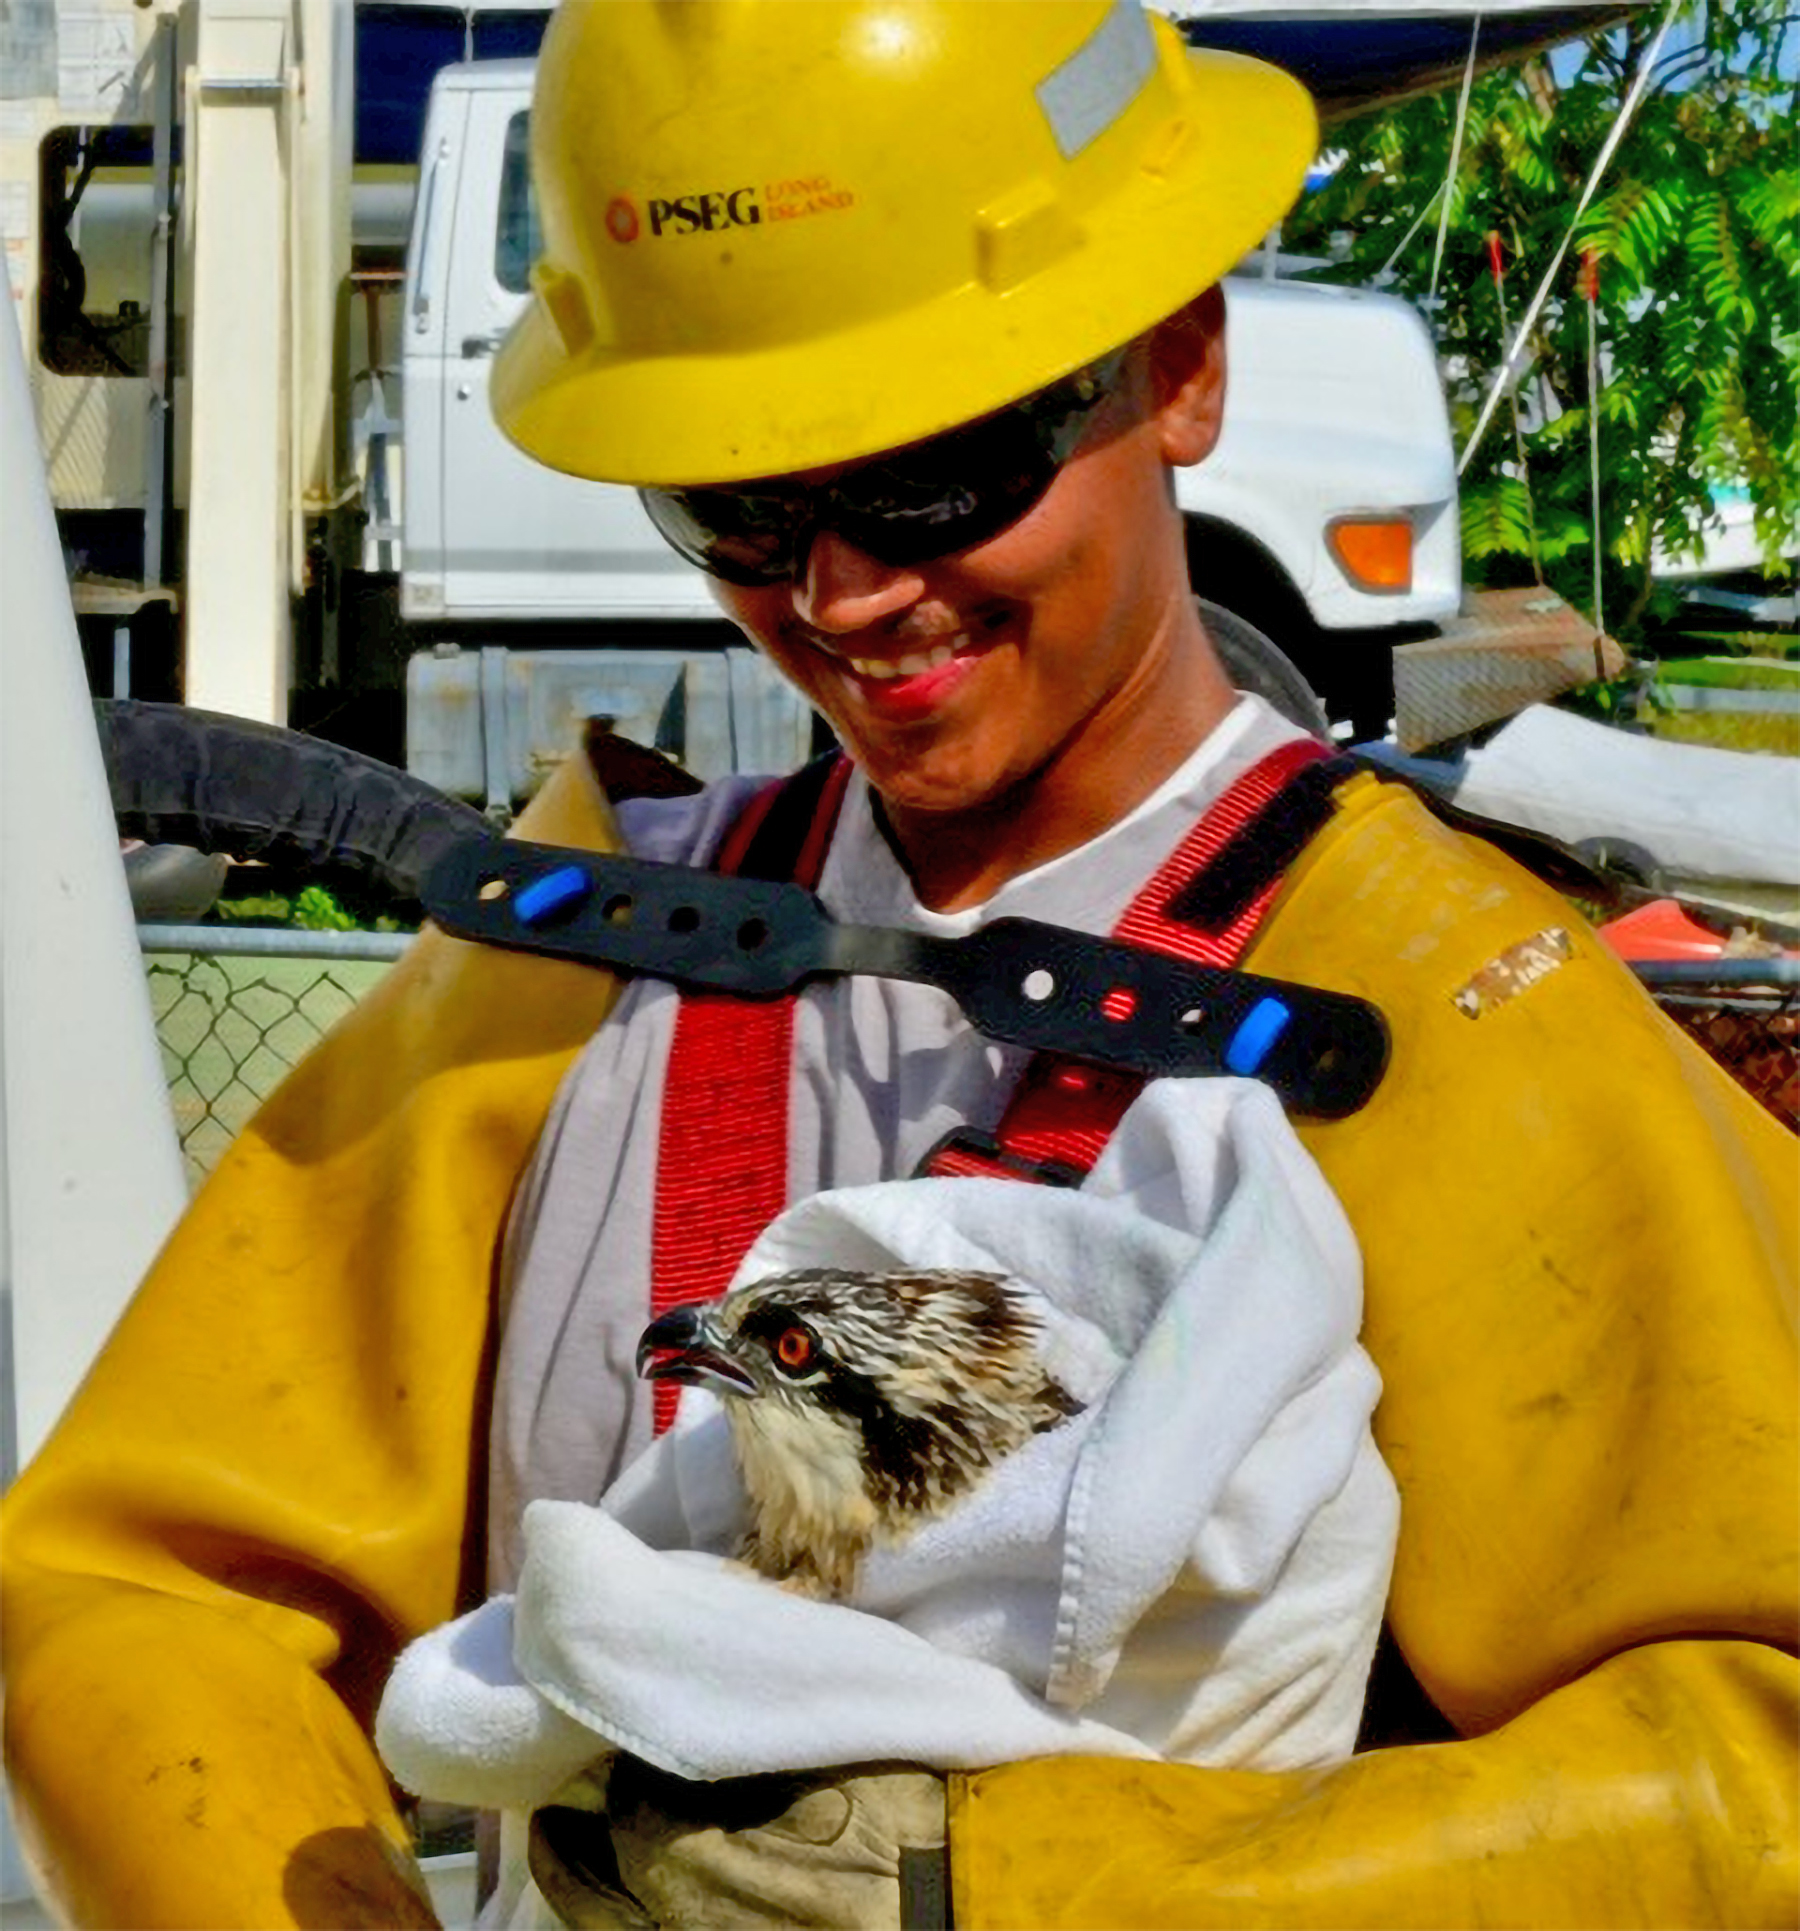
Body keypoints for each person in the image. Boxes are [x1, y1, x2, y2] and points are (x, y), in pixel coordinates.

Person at [3, 4, 1794, 1928]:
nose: (847, 593)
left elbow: (1749, 1762)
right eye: (742, 506)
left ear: (1180, 366)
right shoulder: (575, 963)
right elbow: (137, 1593)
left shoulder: (1448, 1012)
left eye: (938, 471)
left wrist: (1023, 1892)